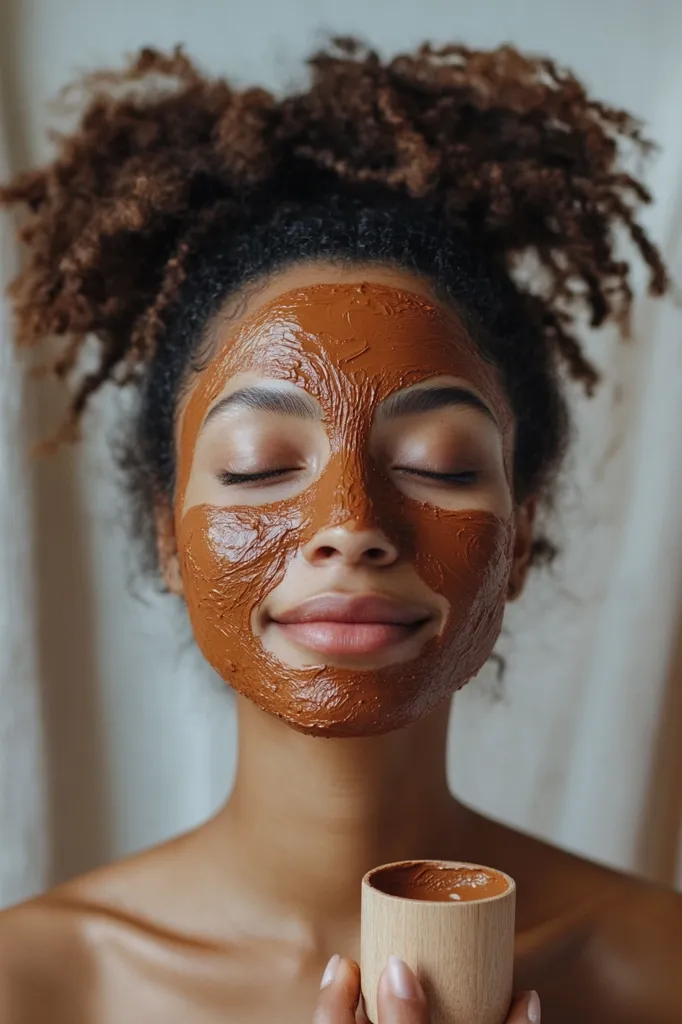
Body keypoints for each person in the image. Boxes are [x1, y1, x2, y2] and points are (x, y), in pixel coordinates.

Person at [0, 38, 680, 1024]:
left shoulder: (660, 972)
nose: (351, 527)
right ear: (166, 531)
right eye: (260, 468)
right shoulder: (35, 987)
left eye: (440, 465)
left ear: (519, 534)